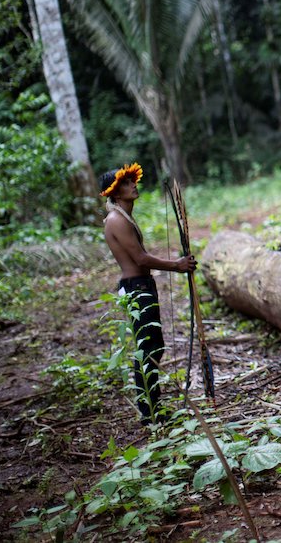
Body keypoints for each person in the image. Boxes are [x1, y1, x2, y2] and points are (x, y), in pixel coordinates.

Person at [99, 163, 196, 424]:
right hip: (136, 288)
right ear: (116, 193)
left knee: (153, 346)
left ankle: (152, 407)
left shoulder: (122, 216)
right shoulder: (116, 219)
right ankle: (149, 412)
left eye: (133, 181)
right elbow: (140, 258)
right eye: (126, 183)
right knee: (148, 349)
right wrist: (177, 266)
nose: (133, 185)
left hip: (141, 286)